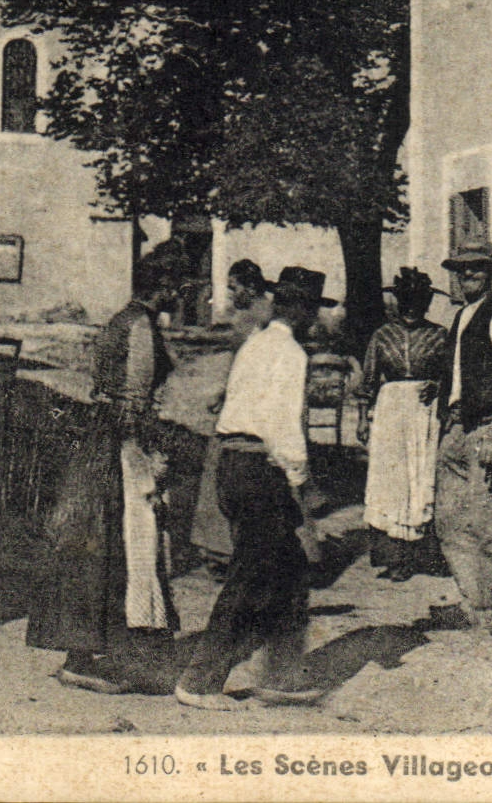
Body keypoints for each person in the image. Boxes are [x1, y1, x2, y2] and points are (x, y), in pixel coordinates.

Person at [174, 267, 338, 709]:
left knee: (286, 573)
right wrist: (302, 485)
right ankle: (200, 680)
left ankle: (283, 675)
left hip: (231, 461)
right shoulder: (290, 353)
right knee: (249, 577)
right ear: (302, 312)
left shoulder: (255, 343)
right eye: (312, 312)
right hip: (260, 469)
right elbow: (283, 427)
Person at [27, 254, 181, 694]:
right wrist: (154, 456)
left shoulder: (119, 320)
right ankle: (87, 657)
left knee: (99, 548)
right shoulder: (140, 327)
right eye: (176, 285)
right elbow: (135, 402)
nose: (181, 294)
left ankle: (95, 652)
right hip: (120, 446)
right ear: (162, 286)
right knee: (122, 545)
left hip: (99, 441)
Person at [427, 239, 492, 637]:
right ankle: (475, 599)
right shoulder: (461, 316)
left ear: (491, 271)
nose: (468, 274)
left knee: (490, 521)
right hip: (455, 427)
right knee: (451, 520)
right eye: (462, 268)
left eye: (476, 267)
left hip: (486, 427)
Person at [356, 267, 450, 581]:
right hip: (391, 410)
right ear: (398, 301)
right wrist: (362, 418)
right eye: (406, 300)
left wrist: (438, 385)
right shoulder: (382, 335)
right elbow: (368, 379)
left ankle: (426, 554)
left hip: (425, 411)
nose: (411, 308)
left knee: (422, 475)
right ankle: (395, 556)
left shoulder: (439, 334)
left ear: (426, 302)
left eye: (418, 301)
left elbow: (451, 374)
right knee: (392, 480)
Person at [191, 260, 278, 566]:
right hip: (238, 399)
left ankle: (239, 552)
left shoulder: (266, 317)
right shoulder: (244, 317)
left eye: (234, 288)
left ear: (251, 287)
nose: (229, 294)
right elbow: (238, 367)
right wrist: (223, 392)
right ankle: (221, 549)